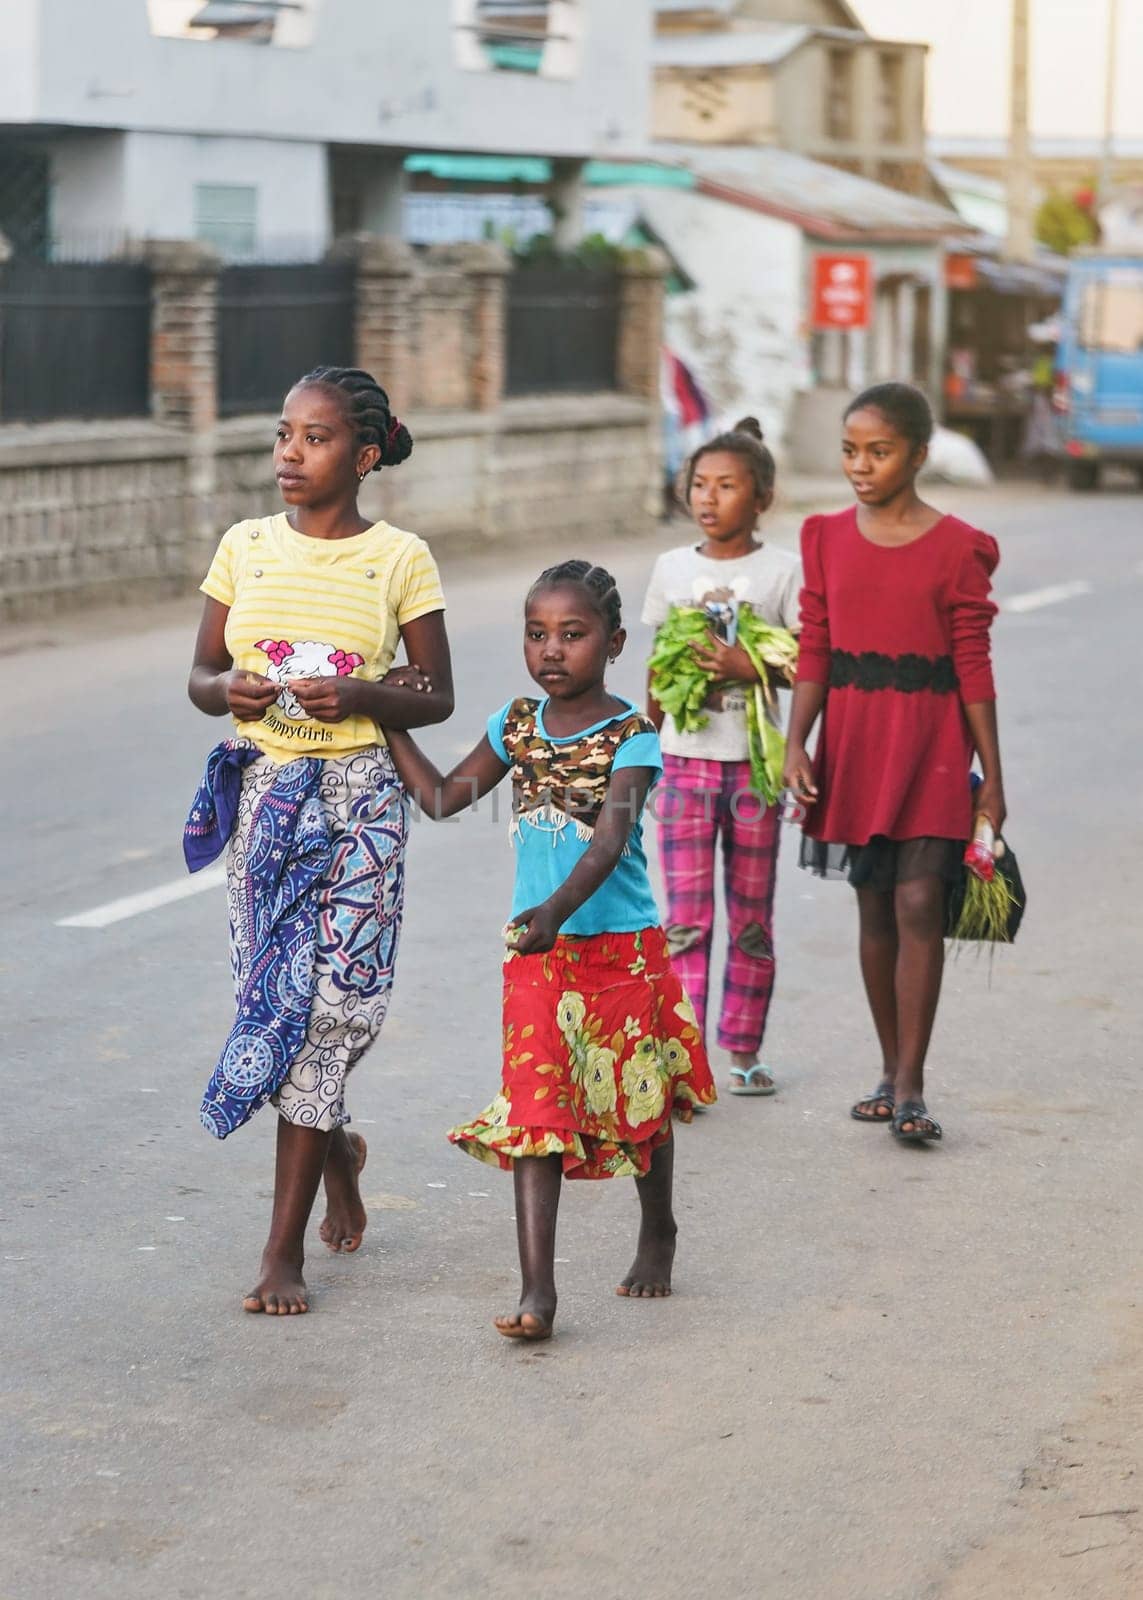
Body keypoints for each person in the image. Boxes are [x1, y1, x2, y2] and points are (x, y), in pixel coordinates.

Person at [382, 561, 715, 1341]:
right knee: (536, 1110)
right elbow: (438, 798)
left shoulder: (633, 737)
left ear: (614, 642)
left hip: (619, 951)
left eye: (573, 634)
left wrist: (555, 912)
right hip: (537, 955)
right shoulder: (515, 723)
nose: (552, 650)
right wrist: (388, 719)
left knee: (640, 1102)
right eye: (537, 634)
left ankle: (657, 1229)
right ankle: (539, 1293)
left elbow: (609, 842)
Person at [186, 365, 454, 1315]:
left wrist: (363, 697)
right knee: (274, 1005)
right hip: (267, 801)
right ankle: (336, 1151)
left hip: (362, 803)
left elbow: (437, 691)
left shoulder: (400, 559)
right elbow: (202, 673)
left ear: (365, 455)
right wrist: (232, 694)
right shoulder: (244, 546)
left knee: (334, 1005)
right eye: (283, 434)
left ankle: (279, 1254)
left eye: (316, 438)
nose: (290, 454)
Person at [782, 383, 1004, 1144]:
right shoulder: (822, 536)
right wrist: (794, 742)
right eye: (849, 450)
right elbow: (815, 646)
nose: (859, 465)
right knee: (873, 903)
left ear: (917, 454)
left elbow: (972, 664)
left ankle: (911, 1084)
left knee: (918, 903)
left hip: (933, 744)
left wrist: (993, 784)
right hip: (853, 739)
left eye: (877, 451)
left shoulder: (958, 547)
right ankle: (886, 1068)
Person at [641, 418, 801, 1098]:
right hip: (682, 764)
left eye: (726, 486)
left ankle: (742, 1048)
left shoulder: (782, 569)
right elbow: (655, 668)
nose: (708, 498)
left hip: (755, 770)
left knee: (752, 916)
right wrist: (641, 753)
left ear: (759, 496)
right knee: (683, 922)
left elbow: (806, 665)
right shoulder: (672, 569)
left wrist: (749, 663)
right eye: (698, 484)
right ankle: (683, 1061)